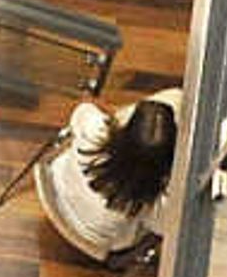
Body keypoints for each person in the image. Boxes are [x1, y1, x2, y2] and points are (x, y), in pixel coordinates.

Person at [37, 86, 183, 263]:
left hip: (55, 187)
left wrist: (111, 117)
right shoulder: (156, 203)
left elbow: (84, 108)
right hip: (95, 239)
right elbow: (167, 229)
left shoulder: (94, 132)